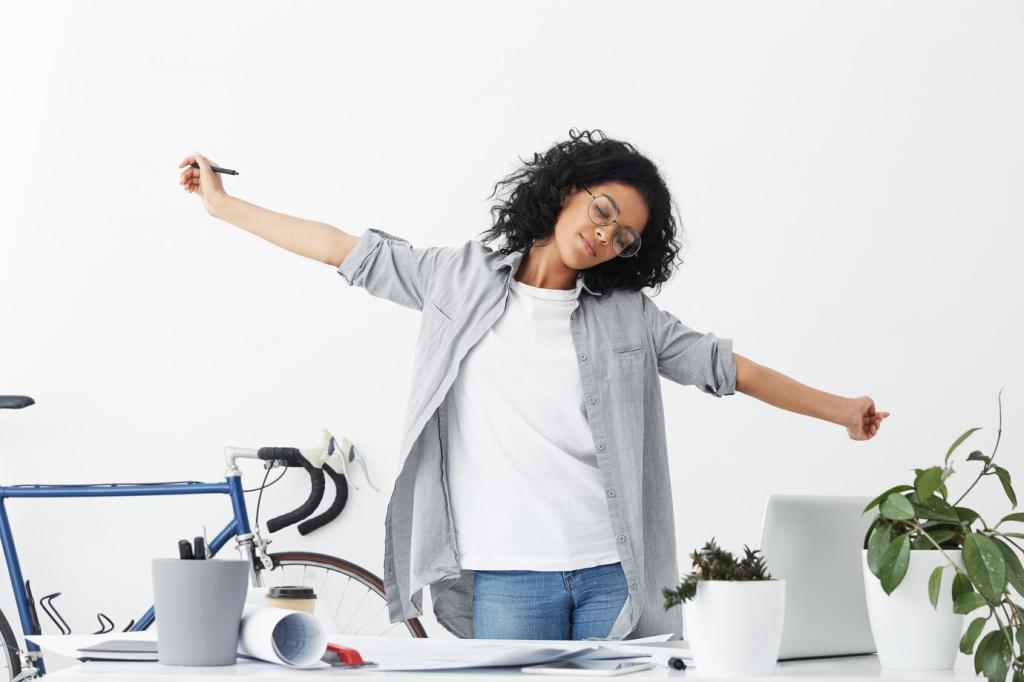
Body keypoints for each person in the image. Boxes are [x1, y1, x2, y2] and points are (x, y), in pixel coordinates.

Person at [178, 128, 890, 642]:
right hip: (507, 573)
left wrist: (842, 411)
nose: (607, 236)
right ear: (569, 191)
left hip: (613, 570)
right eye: (603, 211)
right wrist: (223, 207)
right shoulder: (457, 279)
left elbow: (729, 369)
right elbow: (341, 248)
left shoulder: (629, 316)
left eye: (625, 237)